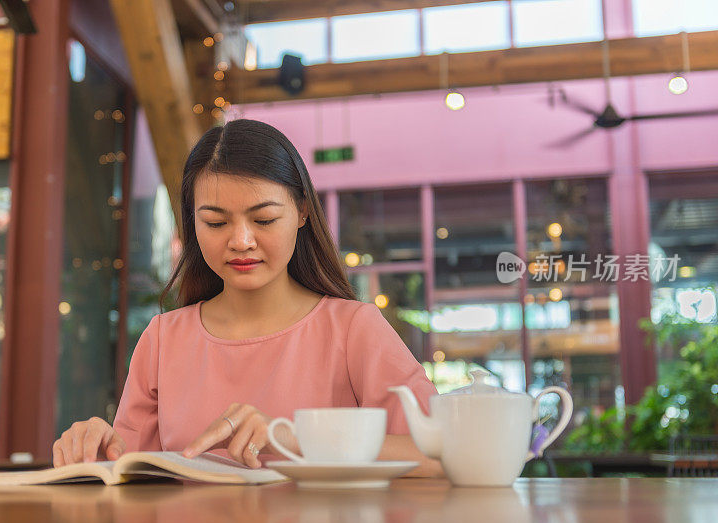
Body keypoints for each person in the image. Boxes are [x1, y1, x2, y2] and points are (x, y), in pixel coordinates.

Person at [52, 119, 441, 476]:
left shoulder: (354, 329)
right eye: (216, 223)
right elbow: (132, 474)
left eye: (264, 219)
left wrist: (290, 438)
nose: (240, 241)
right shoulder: (162, 339)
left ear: (303, 212)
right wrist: (95, 451)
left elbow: (443, 457)